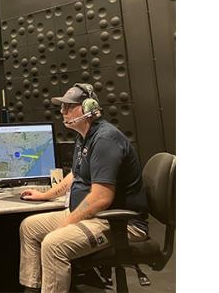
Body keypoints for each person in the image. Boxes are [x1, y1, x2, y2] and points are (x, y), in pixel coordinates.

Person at [17, 84, 148, 293]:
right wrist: (44, 195)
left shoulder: (105, 140)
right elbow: (75, 175)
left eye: (69, 106)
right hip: (93, 216)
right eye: (62, 107)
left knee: (53, 244)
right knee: (29, 227)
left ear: (89, 108)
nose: (62, 111)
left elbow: (101, 199)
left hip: (119, 223)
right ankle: (32, 290)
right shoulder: (84, 137)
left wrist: (67, 223)